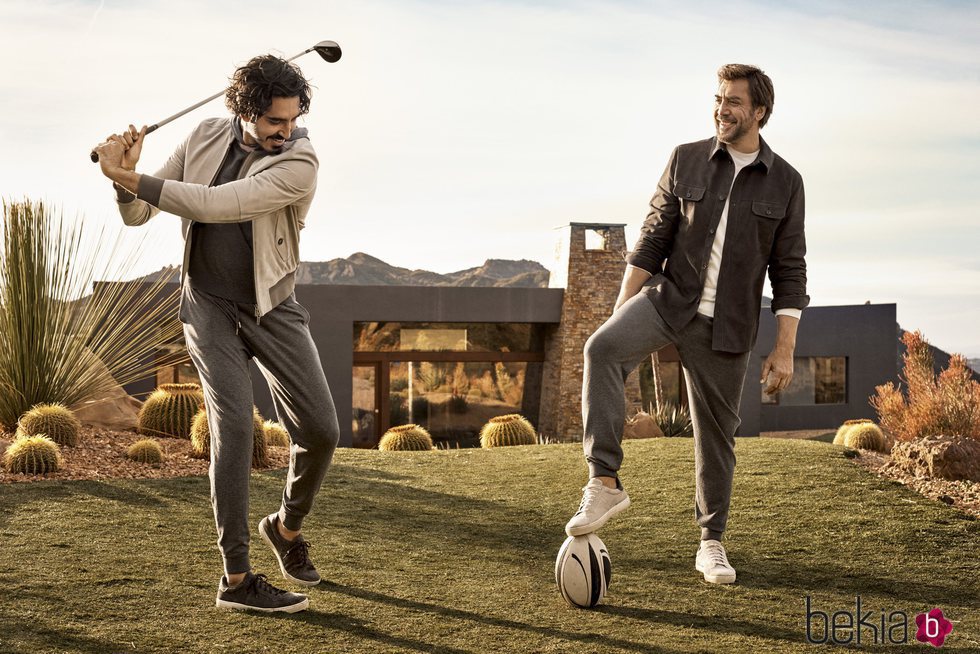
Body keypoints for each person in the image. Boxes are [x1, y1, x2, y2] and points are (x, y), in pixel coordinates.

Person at [93, 54, 340, 612]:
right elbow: (138, 218)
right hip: (206, 305)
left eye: (294, 118)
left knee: (321, 431)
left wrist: (127, 174)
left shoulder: (300, 162)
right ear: (245, 110)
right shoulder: (205, 135)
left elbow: (215, 205)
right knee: (233, 432)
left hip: (271, 305)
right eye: (275, 120)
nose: (287, 130)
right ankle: (236, 579)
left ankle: (286, 526)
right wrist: (127, 184)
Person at [564, 64, 807, 585]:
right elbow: (653, 237)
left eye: (734, 101)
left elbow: (790, 270)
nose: (722, 108)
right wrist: (622, 308)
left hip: (729, 327)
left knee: (716, 438)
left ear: (759, 112)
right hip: (669, 300)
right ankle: (604, 481)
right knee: (601, 349)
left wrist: (784, 348)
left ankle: (711, 542)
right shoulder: (686, 158)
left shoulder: (787, 181)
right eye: (718, 98)